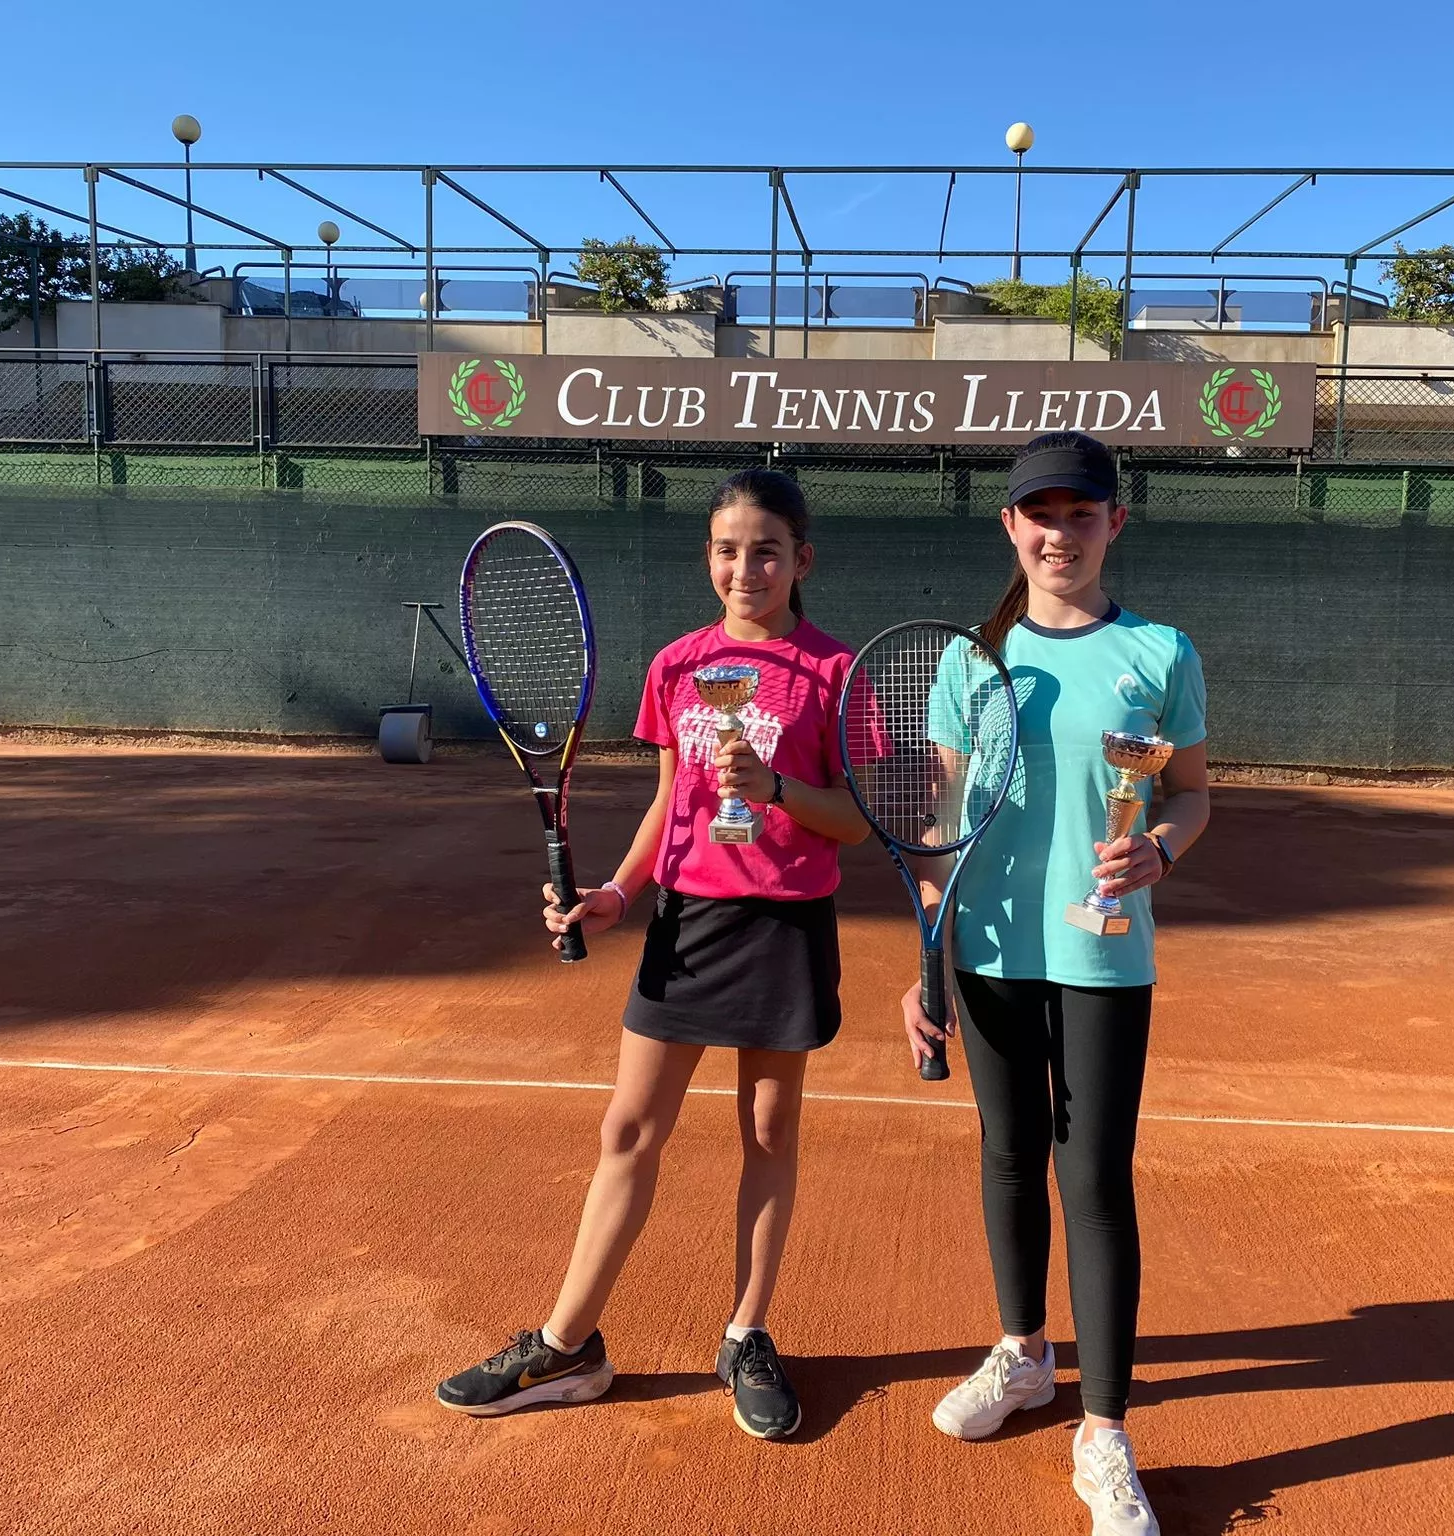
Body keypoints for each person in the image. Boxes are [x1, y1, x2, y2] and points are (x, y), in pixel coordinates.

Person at [436, 468, 873, 1441]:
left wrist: (774, 790)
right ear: (708, 558)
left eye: (765, 549)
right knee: (628, 1131)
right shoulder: (677, 664)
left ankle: (746, 1335)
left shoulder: (834, 672)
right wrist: (615, 896)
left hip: (786, 923)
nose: (744, 567)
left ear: (800, 560)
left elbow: (855, 823)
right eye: (727, 549)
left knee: (767, 1136)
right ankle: (566, 1344)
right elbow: (668, 805)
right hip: (686, 924)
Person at [905, 431, 1210, 1536]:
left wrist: (1160, 850)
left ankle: (1103, 1429)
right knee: (1004, 1154)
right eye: (1039, 512)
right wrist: (925, 961)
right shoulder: (963, 663)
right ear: (1009, 528)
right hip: (984, 949)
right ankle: (1021, 1354)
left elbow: (1190, 796)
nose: (1058, 532)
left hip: (1102, 952)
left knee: (1092, 1178)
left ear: (1112, 525)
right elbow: (937, 824)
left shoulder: (1160, 652)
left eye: (1081, 513)